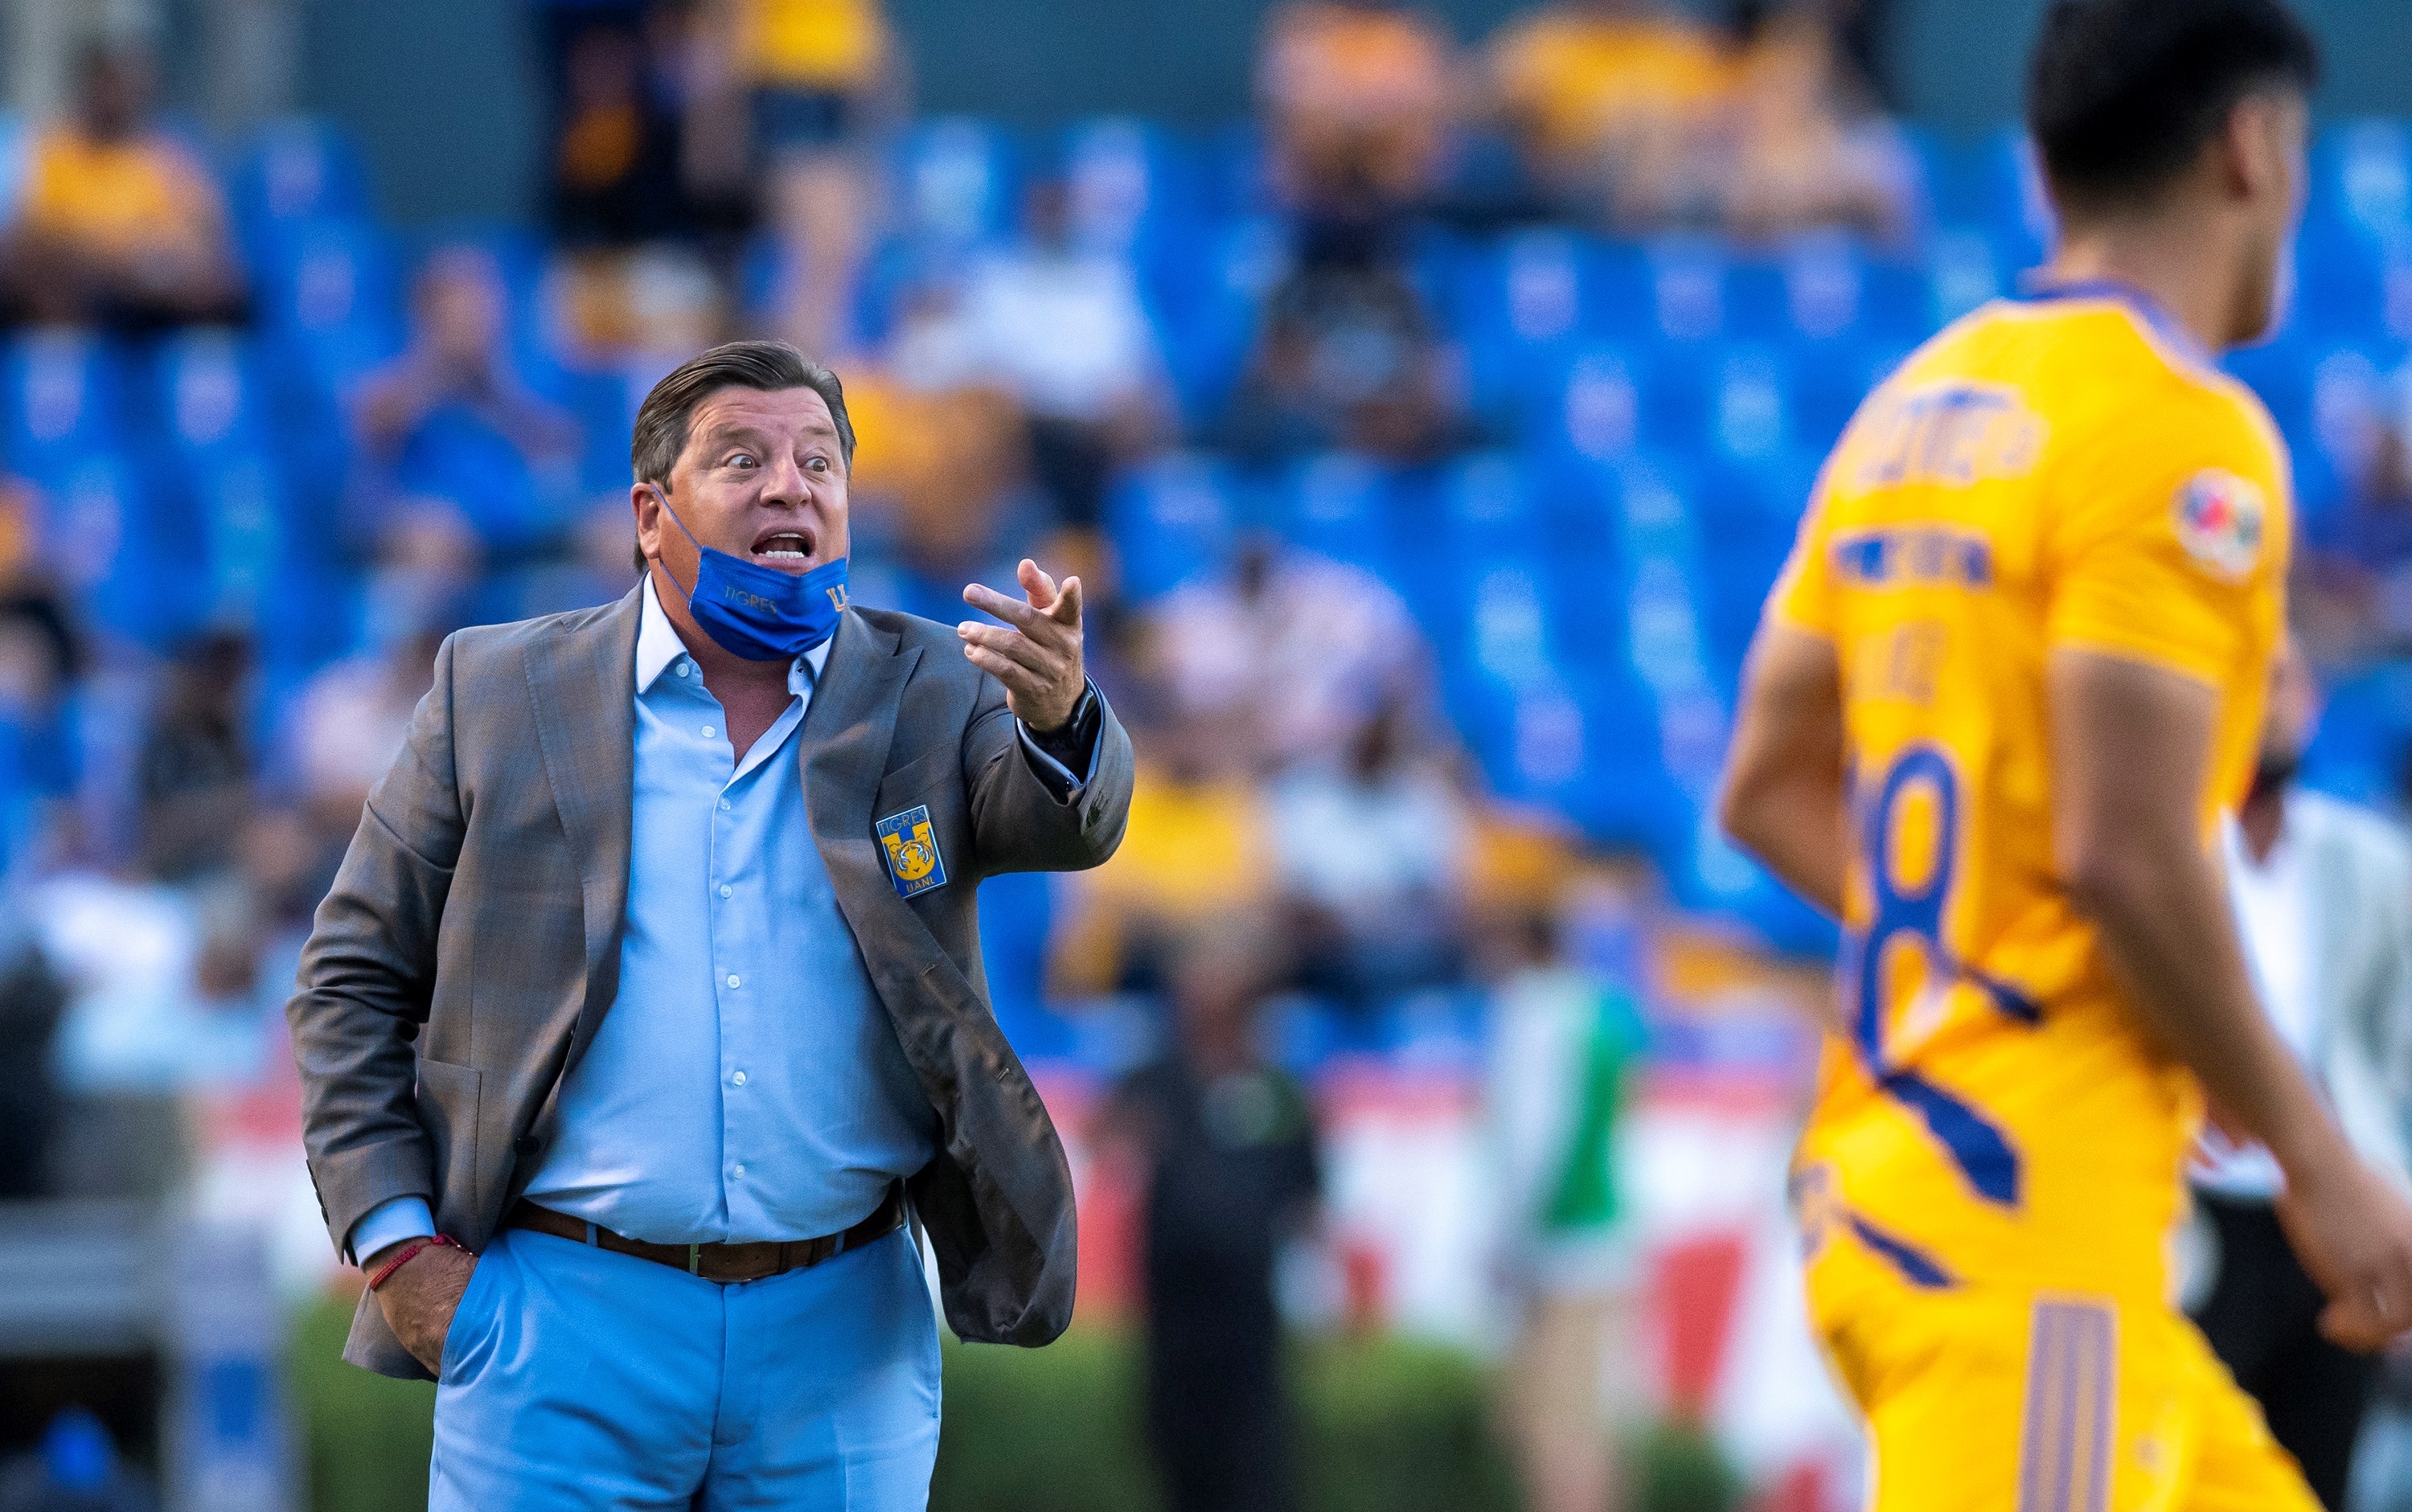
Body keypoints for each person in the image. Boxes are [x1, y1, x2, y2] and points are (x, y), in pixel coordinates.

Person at [1717, 5, 2412, 1510]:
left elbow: (1766, 785)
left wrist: (2004, 954)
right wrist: (2318, 1156)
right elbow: (2127, 848)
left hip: (1944, 1192)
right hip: (2027, 1223)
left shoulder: (1917, 407)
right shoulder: (2178, 437)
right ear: (2253, 148)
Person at [286, 341, 1135, 1506]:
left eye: (820, 461)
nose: (792, 485)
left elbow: (1066, 823)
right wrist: (397, 1250)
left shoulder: (930, 686)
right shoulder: (495, 691)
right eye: (743, 458)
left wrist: (1064, 713)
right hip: (561, 1318)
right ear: (651, 513)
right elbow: (350, 977)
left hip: (841, 1331)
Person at [2188, 641, 2412, 1510]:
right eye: (2242, 677)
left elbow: (2396, 1051)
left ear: (2313, 700)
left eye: (2281, 679)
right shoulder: (2162, 858)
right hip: (2194, 1207)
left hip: (2330, 1213)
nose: (2266, 702)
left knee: (2318, 1471)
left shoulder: (2367, 860)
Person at [1099, 914, 1322, 1512]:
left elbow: (1308, 1200)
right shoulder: (1155, 1079)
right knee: (1180, 1471)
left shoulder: (1278, 1089)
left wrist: (1325, 1299)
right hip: (1173, 1318)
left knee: (1255, 1476)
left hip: (1250, 1323)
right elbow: (1104, 1146)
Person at [0, 43, 245, 330]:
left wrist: (143, 261)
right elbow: (29, 239)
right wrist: (112, 257)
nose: (119, 97)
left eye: (128, 86)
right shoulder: (48, 152)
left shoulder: (168, 157)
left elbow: (202, 244)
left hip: (150, 298)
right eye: (109, 85)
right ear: (88, 88)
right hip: (76, 294)